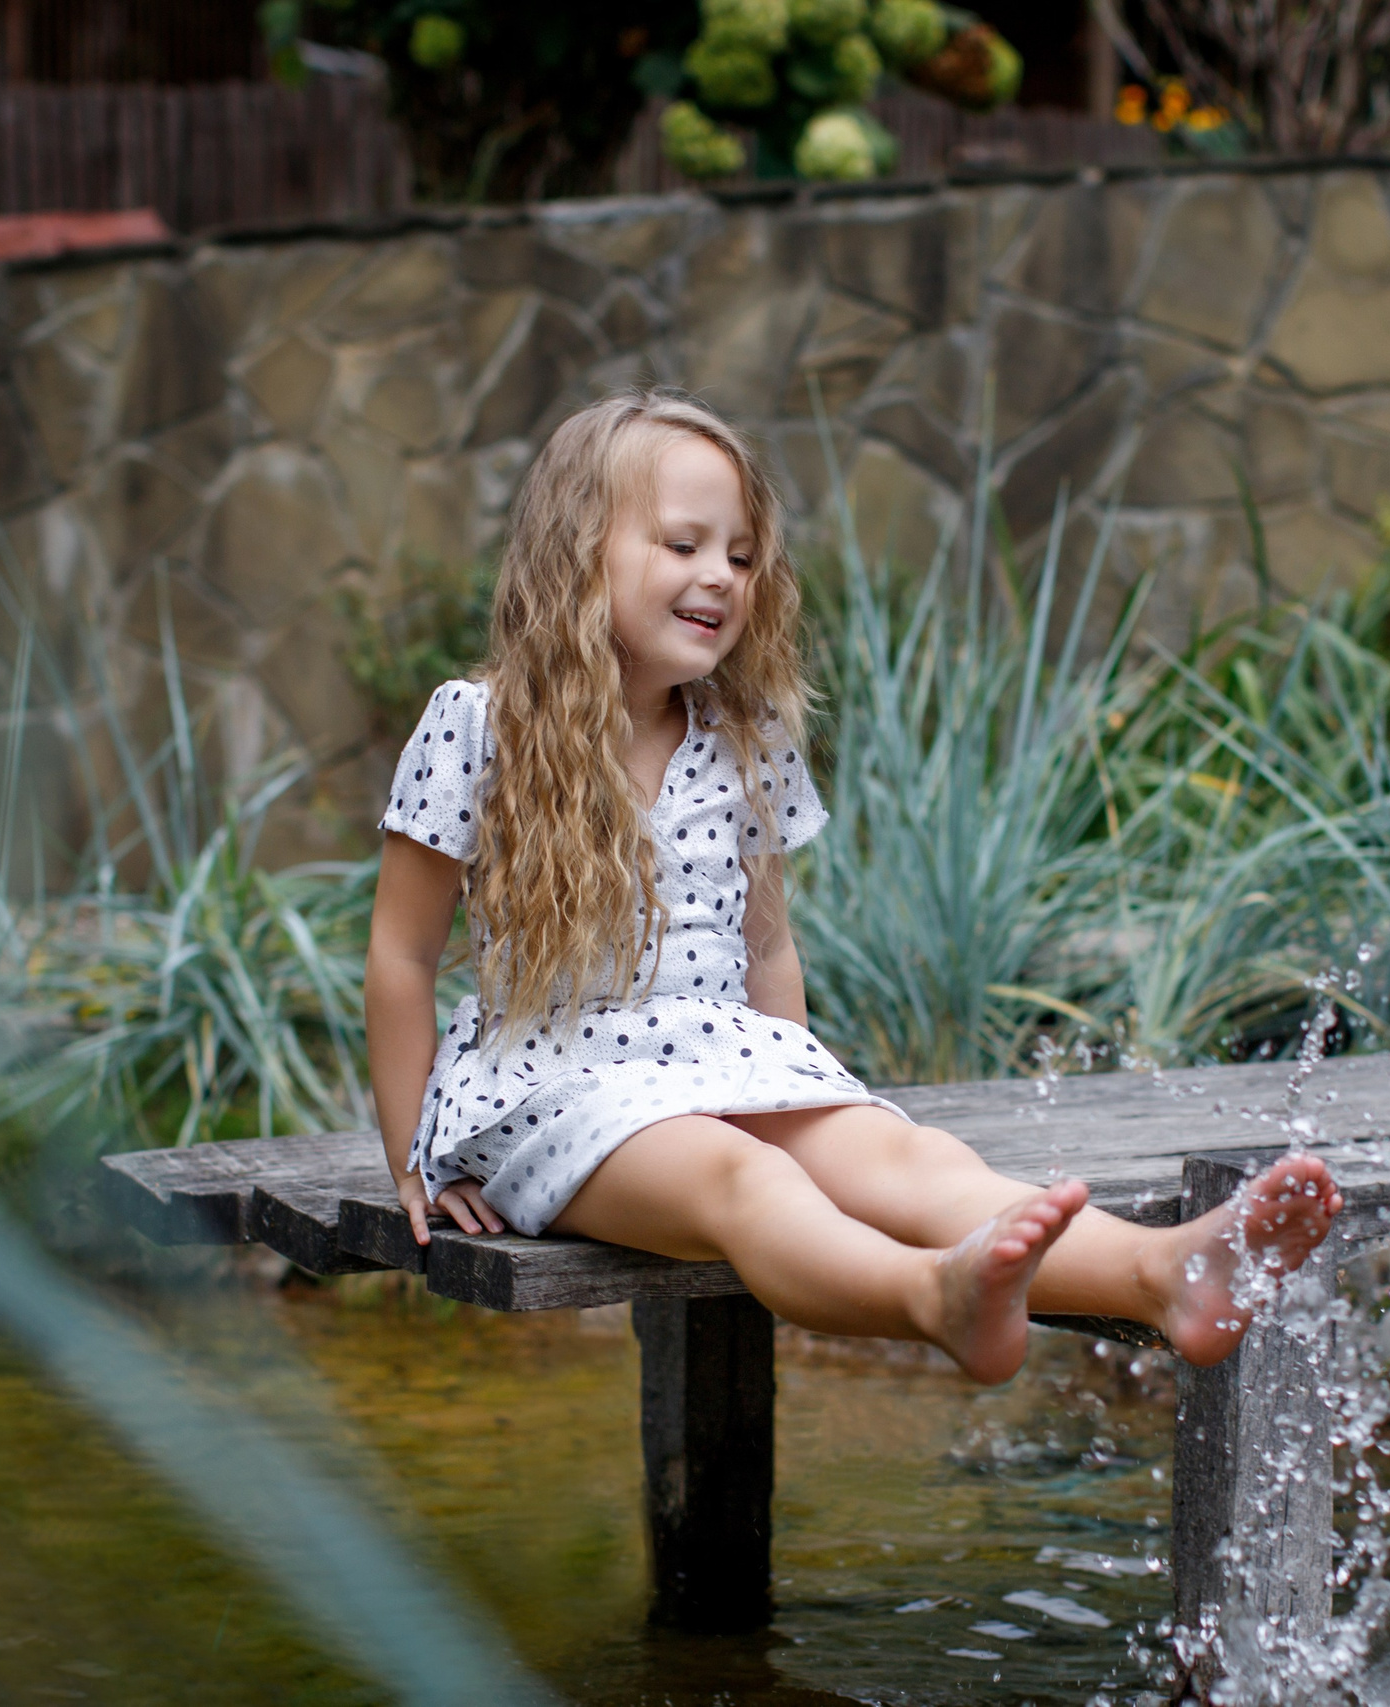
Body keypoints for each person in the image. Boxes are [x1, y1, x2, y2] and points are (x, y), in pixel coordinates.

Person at [363, 389, 1340, 1384]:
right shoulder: (484, 726)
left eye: (741, 556)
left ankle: (1159, 1271)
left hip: (718, 1057)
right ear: (579, 551)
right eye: (683, 544)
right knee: (746, 1178)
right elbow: (401, 958)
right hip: (555, 1088)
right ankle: (937, 1298)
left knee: (907, 1160)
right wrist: (414, 1161)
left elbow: (768, 948)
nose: (721, 576)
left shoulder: (745, 740)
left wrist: (805, 1091)